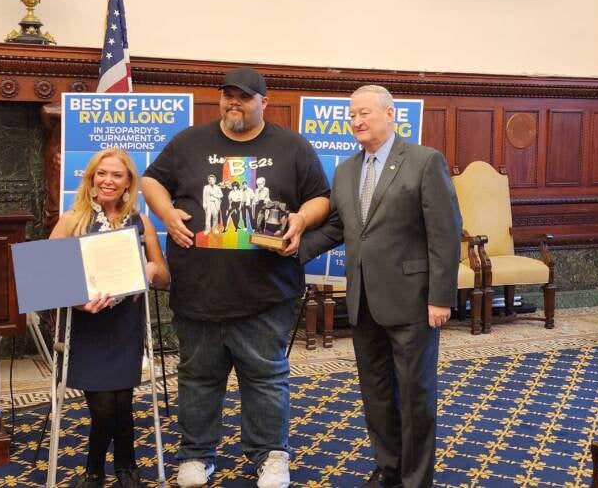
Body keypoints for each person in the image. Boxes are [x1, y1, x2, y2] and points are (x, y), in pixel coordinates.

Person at [141, 67, 330, 488]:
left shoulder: (292, 145)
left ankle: (270, 455)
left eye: (243, 97)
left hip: (266, 291)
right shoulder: (189, 141)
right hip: (197, 289)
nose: (233, 103)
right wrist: (167, 213)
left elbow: (322, 197)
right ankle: (196, 455)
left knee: (266, 379)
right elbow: (151, 179)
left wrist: (301, 218)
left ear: (264, 101)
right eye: (227, 95)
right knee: (197, 379)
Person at [298, 85, 462, 488]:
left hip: (413, 302)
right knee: (377, 394)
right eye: (351, 115)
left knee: (414, 396)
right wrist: (294, 248)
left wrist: (441, 297)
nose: (356, 121)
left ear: (391, 114)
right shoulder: (346, 169)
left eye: (365, 113)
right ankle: (388, 468)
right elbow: (340, 226)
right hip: (362, 301)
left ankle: (416, 479)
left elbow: (445, 234)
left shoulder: (425, 162)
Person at [50, 148, 170, 488]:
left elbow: (164, 277)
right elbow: (47, 273)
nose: (108, 180)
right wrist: (77, 301)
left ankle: (125, 466)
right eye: (101, 173)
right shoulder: (73, 218)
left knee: (122, 401)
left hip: (125, 325)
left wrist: (150, 268)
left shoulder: (139, 221)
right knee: (104, 406)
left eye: (117, 175)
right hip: (86, 327)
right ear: (90, 178)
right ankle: (94, 468)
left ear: (128, 182)